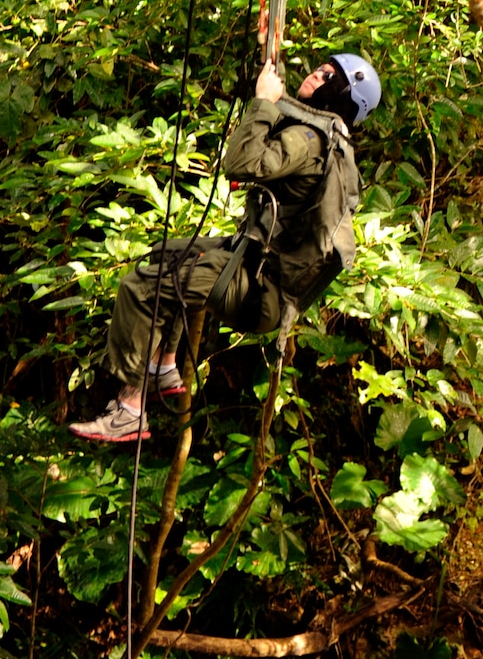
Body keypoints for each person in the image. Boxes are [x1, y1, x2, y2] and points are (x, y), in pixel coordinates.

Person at [70, 51, 381, 443]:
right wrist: (269, 46)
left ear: (340, 98)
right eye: (321, 68)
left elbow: (240, 163)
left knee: (142, 287)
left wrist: (262, 103)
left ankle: (130, 409)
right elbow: (282, 96)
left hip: (259, 289)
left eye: (329, 77)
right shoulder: (320, 131)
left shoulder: (309, 140)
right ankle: (165, 364)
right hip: (253, 264)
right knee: (166, 253)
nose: (316, 75)